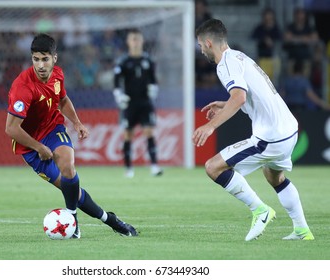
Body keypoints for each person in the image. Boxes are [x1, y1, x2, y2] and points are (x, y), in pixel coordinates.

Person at [5, 33, 138, 238]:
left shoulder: (58, 74)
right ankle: (111, 220)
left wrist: (76, 123)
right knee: (73, 193)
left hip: (52, 129)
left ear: (54, 59)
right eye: (36, 59)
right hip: (31, 147)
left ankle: (72, 221)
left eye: (45, 59)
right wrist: (39, 147)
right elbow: (12, 129)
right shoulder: (22, 87)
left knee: (68, 166)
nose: (40, 65)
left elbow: (63, 100)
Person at [193, 19, 314, 241]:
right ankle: (302, 230)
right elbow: (247, 96)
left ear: (209, 43)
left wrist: (210, 126)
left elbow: (238, 97)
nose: (201, 50)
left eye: (201, 45)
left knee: (213, 167)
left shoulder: (225, 65)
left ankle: (260, 210)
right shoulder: (239, 56)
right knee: (274, 176)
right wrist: (224, 102)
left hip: (271, 137)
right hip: (289, 129)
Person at [113, 28, 163, 178]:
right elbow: (116, 83)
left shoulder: (148, 60)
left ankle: (154, 166)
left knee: (149, 132)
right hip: (129, 103)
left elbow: (153, 79)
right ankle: (128, 168)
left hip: (145, 102)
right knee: (128, 134)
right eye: (133, 39)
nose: (135, 42)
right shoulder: (123, 61)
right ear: (128, 42)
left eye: (138, 39)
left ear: (142, 41)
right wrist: (119, 96)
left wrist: (153, 89)